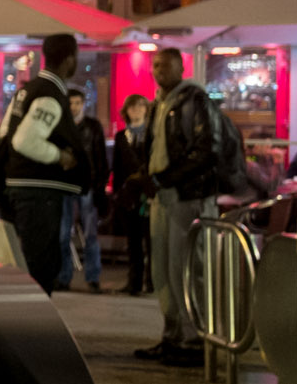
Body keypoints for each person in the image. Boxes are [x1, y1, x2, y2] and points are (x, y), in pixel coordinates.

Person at [133, 48, 221, 368]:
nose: (159, 71)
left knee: (185, 269)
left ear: (181, 67)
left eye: (165, 66)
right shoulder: (160, 103)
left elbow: (207, 150)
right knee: (165, 270)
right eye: (155, 65)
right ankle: (173, 335)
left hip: (187, 196)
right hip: (165, 194)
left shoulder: (193, 100)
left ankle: (191, 340)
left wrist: (164, 178)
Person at [0, 33, 88, 297]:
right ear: (70, 59)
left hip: (20, 188)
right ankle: (36, 326)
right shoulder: (50, 94)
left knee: (35, 259)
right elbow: (24, 140)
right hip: (38, 192)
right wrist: (61, 156)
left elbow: (5, 134)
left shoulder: (26, 90)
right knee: (42, 264)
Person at [57, 88, 110, 294]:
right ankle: (64, 277)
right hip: (65, 184)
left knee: (90, 234)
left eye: (77, 103)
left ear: (83, 104)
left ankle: (93, 277)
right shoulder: (61, 127)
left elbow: (101, 158)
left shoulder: (93, 127)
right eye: (71, 103)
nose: (74, 107)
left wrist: (100, 185)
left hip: (87, 184)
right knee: (63, 235)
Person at [113, 95, 156, 296]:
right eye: (132, 107)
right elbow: (117, 166)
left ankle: (152, 282)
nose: (137, 110)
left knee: (152, 241)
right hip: (128, 195)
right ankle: (134, 282)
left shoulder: (152, 134)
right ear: (127, 111)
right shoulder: (121, 136)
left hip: (147, 194)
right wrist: (117, 194)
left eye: (140, 106)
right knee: (133, 243)